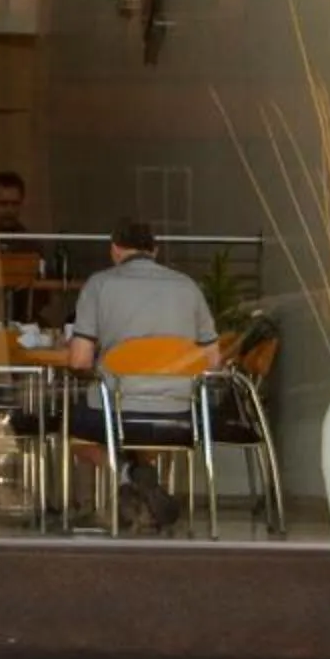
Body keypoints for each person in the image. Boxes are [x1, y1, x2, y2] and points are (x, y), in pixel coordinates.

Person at [64, 218, 216, 531]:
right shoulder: (188, 286)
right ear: (155, 250)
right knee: (148, 428)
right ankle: (142, 494)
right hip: (176, 414)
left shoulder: (100, 284)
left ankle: (125, 474)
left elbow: (79, 360)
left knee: (72, 430)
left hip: (116, 409)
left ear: (115, 249)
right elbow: (212, 360)